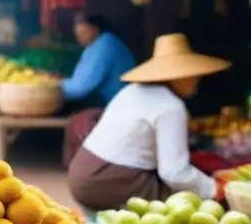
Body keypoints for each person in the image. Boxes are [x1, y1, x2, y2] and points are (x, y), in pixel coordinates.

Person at [68, 34, 231, 211]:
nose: (197, 80)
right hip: (105, 181)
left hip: (80, 173)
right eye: (192, 75)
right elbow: (174, 173)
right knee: (186, 204)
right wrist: (214, 189)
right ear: (176, 76)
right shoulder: (170, 106)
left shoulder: (132, 91)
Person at [60, 14, 135, 107]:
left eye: (83, 32)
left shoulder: (105, 45)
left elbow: (81, 88)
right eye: (77, 35)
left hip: (114, 106)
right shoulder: (96, 46)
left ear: (95, 29)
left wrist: (52, 87)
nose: (80, 38)